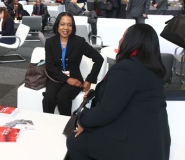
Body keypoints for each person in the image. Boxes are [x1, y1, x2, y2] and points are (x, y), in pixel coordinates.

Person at [67, 24, 171, 160]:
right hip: (155, 141)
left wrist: (82, 120)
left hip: (135, 145)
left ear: (132, 41)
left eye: (123, 36)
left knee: (75, 141)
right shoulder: (152, 68)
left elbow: (107, 111)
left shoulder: (127, 69)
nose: (121, 40)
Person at [42, 12, 104, 116]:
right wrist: (67, 79)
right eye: (62, 24)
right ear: (57, 25)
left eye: (69, 25)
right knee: (49, 97)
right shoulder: (50, 42)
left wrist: (89, 80)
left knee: (62, 97)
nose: (65, 28)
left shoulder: (79, 42)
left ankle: (67, 126)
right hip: (56, 77)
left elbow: (99, 59)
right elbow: (50, 66)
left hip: (75, 78)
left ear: (73, 27)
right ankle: (48, 124)